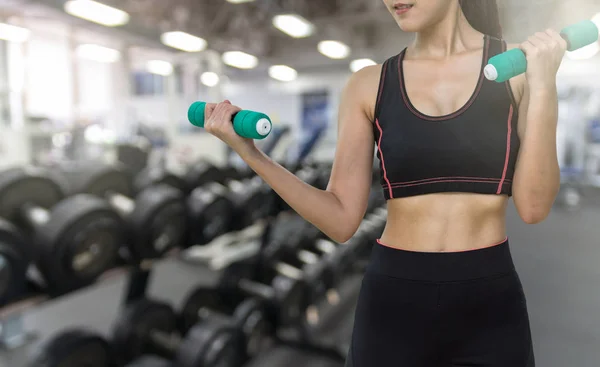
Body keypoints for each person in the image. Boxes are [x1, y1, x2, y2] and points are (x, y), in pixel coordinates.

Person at [202, 1, 565, 365]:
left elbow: (534, 207)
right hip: (394, 299)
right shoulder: (368, 84)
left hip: (488, 300)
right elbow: (341, 219)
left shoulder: (516, 69)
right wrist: (252, 155)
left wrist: (544, 86)